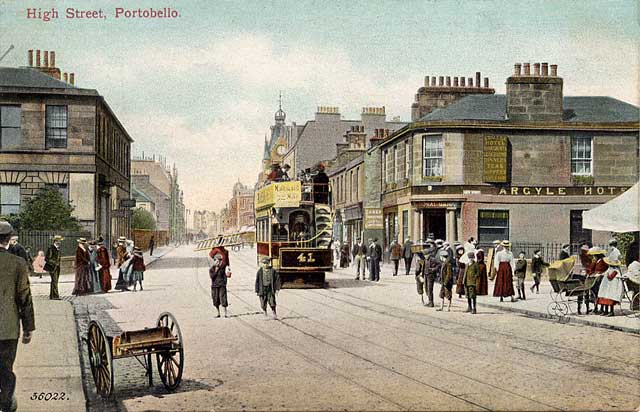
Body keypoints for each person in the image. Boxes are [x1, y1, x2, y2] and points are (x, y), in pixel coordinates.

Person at [0, 221, 35, 412]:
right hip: (8, 329)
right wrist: (28, 328)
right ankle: (5, 404)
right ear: (8, 239)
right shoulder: (18, 264)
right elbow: (25, 297)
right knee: (6, 369)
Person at [586, 247, 608, 314]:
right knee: (593, 292)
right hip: (595, 278)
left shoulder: (603, 260)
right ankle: (595, 307)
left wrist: (600, 273)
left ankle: (600, 308)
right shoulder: (596, 261)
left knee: (599, 294)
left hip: (601, 279)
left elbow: (606, 269)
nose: (593, 257)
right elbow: (591, 269)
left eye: (594, 255)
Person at [209, 252, 229, 317]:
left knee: (223, 299)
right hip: (215, 286)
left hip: (221, 286)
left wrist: (224, 283)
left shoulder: (222, 268)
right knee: (216, 300)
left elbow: (225, 276)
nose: (217, 262)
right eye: (216, 261)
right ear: (214, 261)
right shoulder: (212, 269)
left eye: (219, 261)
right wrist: (216, 270)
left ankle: (225, 313)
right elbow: (212, 276)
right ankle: (218, 313)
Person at [44, 235, 63, 300]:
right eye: (59, 241)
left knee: (55, 281)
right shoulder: (51, 248)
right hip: (52, 267)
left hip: (57, 267)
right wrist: (54, 263)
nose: (60, 242)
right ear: (56, 241)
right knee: (54, 281)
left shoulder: (58, 248)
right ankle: (55, 296)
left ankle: (52, 296)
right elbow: (47, 259)